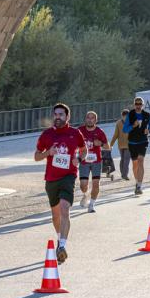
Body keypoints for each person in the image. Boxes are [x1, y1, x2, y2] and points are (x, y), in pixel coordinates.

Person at [35, 103, 86, 264]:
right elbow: (36, 156)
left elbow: (84, 150)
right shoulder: (46, 135)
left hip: (68, 176)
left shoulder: (75, 133)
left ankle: (63, 245)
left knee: (65, 209)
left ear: (67, 117)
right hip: (51, 179)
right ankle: (59, 239)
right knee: (55, 215)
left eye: (61, 114)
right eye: (55, 114)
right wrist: (47, 153)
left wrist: (78, 159)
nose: (58, 117)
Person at [78, 111, 107, 213]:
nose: (90, 120)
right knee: (83, 185)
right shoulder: (80, 131)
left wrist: (100, 143)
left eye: (92, 118)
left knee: (96, 184)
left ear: (96, 120)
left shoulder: (100, 131)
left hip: (96, 162)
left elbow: (107, 147)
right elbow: (73, 143)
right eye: (88, 118)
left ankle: (91, 205)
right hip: (84, 161)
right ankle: (85, 195)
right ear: (85, 119)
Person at [123, 97, 150, 195]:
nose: (138, 105)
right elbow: (125, 130)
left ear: (142, 105)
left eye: (140, 104)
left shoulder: (146, 115)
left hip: (143, 141)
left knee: (141, 160)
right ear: (134, 104)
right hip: (132, 142)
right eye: (136, 104)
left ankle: (139, 186)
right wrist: (133, 125)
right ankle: (137, 182)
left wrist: (148, 130)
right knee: (135, 164)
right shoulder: (130, 115)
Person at [109, 109, 131, 181]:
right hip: (121, 144)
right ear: (122, 116)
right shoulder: (118, 123)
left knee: (126, 159)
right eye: (124, 116)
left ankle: (125, 174)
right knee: (122, 159)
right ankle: (123, 174)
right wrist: (111, 144)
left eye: (127, 116)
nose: (125, 118)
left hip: (129, 144)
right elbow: (116, 135)